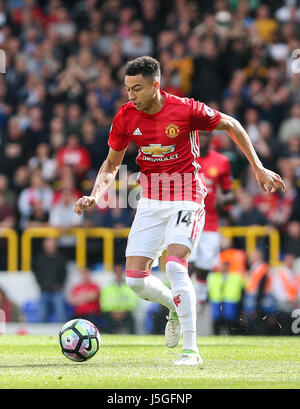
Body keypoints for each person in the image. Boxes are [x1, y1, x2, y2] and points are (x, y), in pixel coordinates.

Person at [74, 56, 285, 367]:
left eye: (137, 88)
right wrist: (95, 195)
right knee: (135, 280)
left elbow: (232, 124)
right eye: (127, 88)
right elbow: (111, 164)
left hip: (187, 196)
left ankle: (191, 349)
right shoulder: (126, 116)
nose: (130, 95)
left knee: (175, 267)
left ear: (155, 86)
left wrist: (258, 168)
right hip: (150, 200)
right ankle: (174, 306)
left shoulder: (186, 109)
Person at [189, 130, 234, 310]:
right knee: (188, 261)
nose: (204, 139)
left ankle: (200, 298)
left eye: (207, 135)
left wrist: (224, 200)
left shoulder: (221, 161)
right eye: (201, 135)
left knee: (205, 264)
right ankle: (183, 297)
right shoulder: (186, 157)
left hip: (210, 220)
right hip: (188, 217)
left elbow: (229, 191)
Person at [32, 237, 67, 323]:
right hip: (44, 290)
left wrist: (60, 284)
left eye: (52, 245)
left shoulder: (60, 258)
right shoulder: (39, 258)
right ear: (44, 246)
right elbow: (37, 273)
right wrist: (41, 284)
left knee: (61, 316)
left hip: (56, 291)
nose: (50, 247)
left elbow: (64, 273)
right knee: (41, 317)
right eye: (48, 245)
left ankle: (65, 334)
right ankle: (40, 336)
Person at [100, 264, 138, 334]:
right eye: (117, 271)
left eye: (120, 271)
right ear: (114, 273)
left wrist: (122, 312)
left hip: (125, 313)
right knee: (107, 321)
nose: (118, 273)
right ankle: (109, 337)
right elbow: (104, 304)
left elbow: (133, 302)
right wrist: (114, 312)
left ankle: (133, 337)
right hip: (111, 314)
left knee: (132, 321)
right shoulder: (108, 288)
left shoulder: (128, 287)